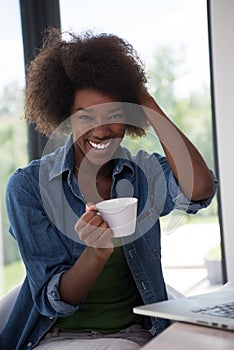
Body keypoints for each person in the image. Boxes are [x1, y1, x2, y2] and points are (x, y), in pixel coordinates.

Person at [0, 28, 217, 350]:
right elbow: (54, 301)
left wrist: (146, 101)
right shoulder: (27, 187)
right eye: (85, 116)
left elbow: (198, 190)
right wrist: (96, 253)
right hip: (54, 336)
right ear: (64, 117)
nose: (101, 130)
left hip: (135, 332)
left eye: (114, 115)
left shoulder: (143, 174)